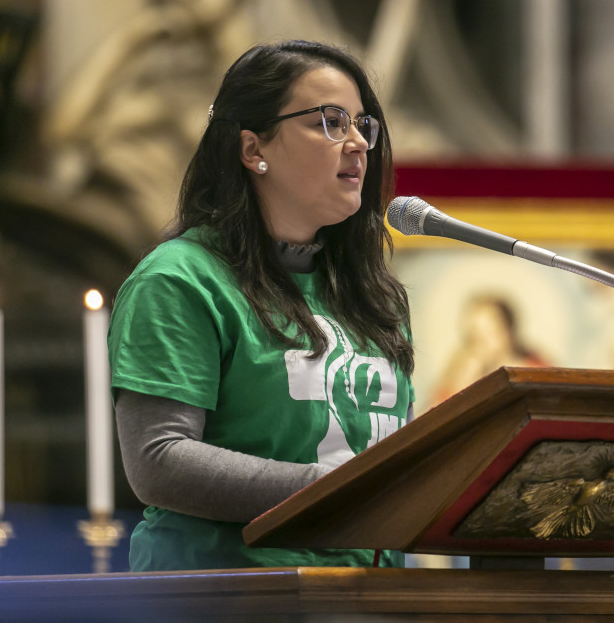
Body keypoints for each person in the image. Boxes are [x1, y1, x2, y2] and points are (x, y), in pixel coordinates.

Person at [107, 40, 416, 571]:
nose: (358, 143)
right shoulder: (182, 279)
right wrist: (334, 490)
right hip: (225, 597)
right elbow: (158, 460)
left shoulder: (375, 295)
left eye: (363, 124)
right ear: (253, 150)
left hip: (370, 597)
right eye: (331, 121)